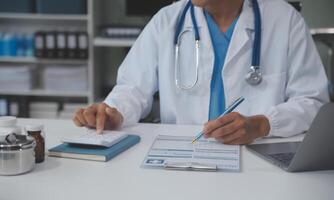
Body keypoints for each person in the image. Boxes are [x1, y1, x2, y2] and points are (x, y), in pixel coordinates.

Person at [73, 0, 329, 144]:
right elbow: (132, 88)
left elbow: (312, 101)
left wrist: (263, 124)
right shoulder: (167, 20)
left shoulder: (284, 20)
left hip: (259, 153)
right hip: (183, 155)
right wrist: (114, 112)